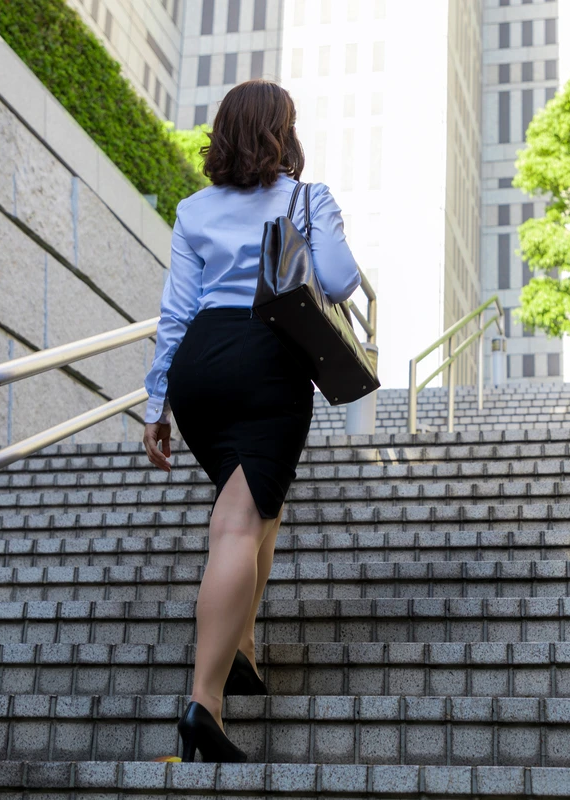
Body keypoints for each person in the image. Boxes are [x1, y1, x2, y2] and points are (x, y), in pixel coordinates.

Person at [141, 80, 361, 763]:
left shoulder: (192, 210)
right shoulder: (305, 197)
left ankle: (242, 647)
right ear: (283, 133)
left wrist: (156, 403)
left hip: (201, 366)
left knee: (256, 501)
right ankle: (204, 703)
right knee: (238, 522)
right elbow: (341, 277)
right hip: (268, 358)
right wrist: (317, 222)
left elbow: (175, 311)